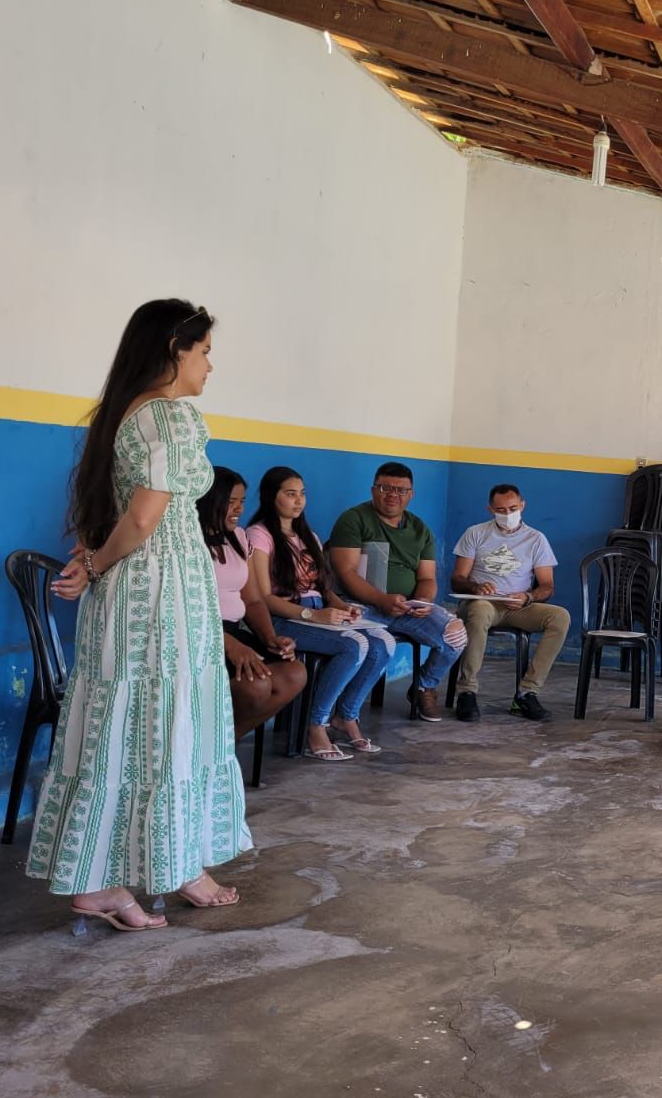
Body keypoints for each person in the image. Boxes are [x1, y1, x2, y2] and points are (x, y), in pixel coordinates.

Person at [27, 299, 248, 931]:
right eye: (203, 350)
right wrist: (95, 564)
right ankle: (158, 872)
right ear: (175, 349)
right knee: (165, 720)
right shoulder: (173, 417)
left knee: (124, 725)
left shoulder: (124, 415)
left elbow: (119, 512)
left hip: (128, 595)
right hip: (161, 595)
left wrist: (95, 562)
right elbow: (146, 516)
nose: (210, 363)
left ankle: (127, 875)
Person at [247, 466, 394, 760]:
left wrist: (342, 607)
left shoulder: (308, 536)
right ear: (270, 496)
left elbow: (324, 589)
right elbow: (264, 598)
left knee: (384, 641)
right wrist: (313, 616)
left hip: (317, 613)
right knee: (354, 645)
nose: (299, 501)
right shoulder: (259, 535)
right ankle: (315, 724)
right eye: (290, 494)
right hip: (285, 617)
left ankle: (346, 716)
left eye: (302, 494)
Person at [327, 462, 466, 723]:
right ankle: (345, 713)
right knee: (375, 646)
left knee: (456, 634)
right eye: (385, 488)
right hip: (361, 605)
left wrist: (423, 601)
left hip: (407, 609)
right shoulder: (353, 519)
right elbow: (345, 573)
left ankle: (424, 686)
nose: (393, 495)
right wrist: (380, 599)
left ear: (411, 494)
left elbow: (426, 577)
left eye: (401, 490)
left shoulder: (420, 529)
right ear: (373, 490)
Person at [198, 466, 307, 739]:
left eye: (242, 501)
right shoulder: (189, 543)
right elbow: (183, 613)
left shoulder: (238, 537)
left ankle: (224, 745)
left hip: (234, 630)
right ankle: (209, 748)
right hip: (200, 636)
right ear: (209, 500)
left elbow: (254, 600)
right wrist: (232, 646)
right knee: (255, 686)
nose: (238, 509)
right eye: (230, 502)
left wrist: (270, 637)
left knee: (294, 673)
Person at [450, 484, 570, 722]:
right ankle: (467, 692)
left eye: (513, 508)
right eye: (501, 510)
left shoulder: (536, 539)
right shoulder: (475, 533)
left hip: (518, 606)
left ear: (522, 506)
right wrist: (476, 588)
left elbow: (547, 586)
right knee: (481, 609)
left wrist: (529, 597)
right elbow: (457, 579)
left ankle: (527, 693)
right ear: (490, 509)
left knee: (560, 617)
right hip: (481, 604)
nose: (507, 515)